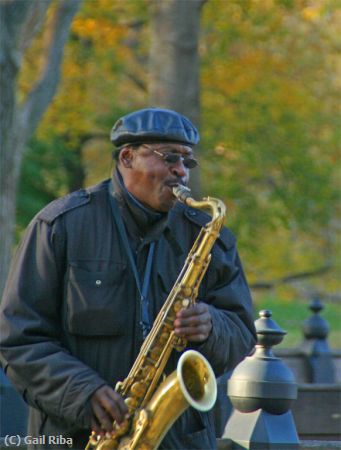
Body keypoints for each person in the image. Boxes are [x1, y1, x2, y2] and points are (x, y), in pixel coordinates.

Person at [0, 107, 256, 450]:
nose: (181, 171)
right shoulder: (60, 226)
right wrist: (83, 392)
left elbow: (241, 333)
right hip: (74, 437)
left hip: (179, 440)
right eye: (169, 158)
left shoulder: (207, 235)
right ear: (127, 157)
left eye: (187, 162)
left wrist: (213, 326)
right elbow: (18, 339)